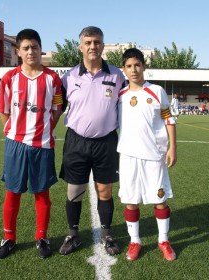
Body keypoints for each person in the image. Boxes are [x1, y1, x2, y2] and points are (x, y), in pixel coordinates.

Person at [0, 29, 63, 259]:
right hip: (15, 144)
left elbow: (56, 110)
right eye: (26, 48)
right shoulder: (9, 78)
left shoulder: (52, 79)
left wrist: (43, 131)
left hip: (42, 144)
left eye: (34, 47)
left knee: (41, 194)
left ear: (40, 49)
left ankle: (41, 237)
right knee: (12, 193)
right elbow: (3, 111)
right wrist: (15, 132)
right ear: (18, 52)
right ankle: (9, 237)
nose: (31, 51)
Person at [58, 26, 126, 256]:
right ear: (80, 47)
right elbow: (55, 107)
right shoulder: (69, 77)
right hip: (76, 141)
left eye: (97, 42)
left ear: (103, 45)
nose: (92, 46)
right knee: (74, 191)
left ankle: (107, 234)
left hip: (106, 142)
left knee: (104, 191)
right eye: (88, 42)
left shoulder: (117, 76)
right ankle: (73, 234)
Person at [117, 48, 177, 261]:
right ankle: (135, 241)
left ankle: (163, 240)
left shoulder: (157, 91)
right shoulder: (121, 95)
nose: (134, 70)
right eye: (129, 66)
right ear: (123, 69)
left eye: (137, 65)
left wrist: (172, 147)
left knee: (159, 200)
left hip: (154, 155)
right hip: (128, 156)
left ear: (144, 66)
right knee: (131, 200)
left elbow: (169, 119)